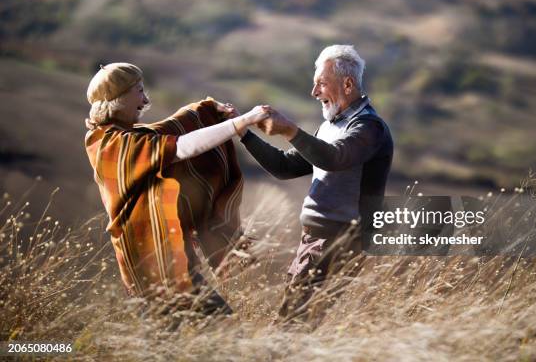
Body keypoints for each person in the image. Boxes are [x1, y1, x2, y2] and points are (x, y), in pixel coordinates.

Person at [84, 63, 268, 314]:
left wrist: (205, 111)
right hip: (152, 266)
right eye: (139, 91)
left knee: (203, 338)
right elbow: (182, 146)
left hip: (170, 259)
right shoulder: (111, 144)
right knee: (216, 333)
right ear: (120, 97)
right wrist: (243, 122)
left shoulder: (129, 136)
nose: (145, 99)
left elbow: (171, 126)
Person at [238, 45, 394, 321]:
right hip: (315, 237)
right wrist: (243, 135)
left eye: (321, 83)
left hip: (340, 238)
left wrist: (290, 130)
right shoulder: (331, 125)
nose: (315, 92)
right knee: (298, 322)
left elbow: (334, 158)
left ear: (347, 84)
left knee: (292, 324)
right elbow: (285, 167)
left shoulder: (369, 127)